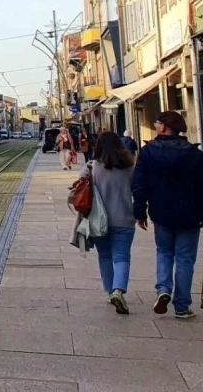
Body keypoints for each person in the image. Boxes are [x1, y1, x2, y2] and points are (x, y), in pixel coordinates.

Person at [133, 110, 203, 319]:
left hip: (161, 212)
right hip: (190, 213)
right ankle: (182, 305)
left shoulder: (148, 151)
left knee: (164, 252)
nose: (155, 125)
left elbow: (139, 184)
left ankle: (163, 289)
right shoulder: (193, 153)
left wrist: (140, 211)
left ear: (164, 127)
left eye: (157, 122)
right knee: (185, 259)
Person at [86, 131, 137, 314]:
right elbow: (138, 191)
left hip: (99, 221)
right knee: (121, 257)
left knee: (105, 256)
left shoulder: (92, 168)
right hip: (124, 219)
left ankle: (110, 292)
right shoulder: (130, 167)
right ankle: (118, 290)